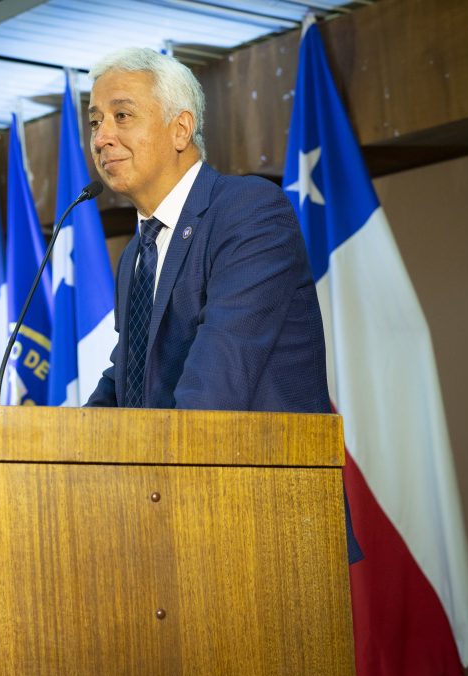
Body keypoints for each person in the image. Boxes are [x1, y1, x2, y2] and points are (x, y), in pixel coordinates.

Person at [85, 47, 331, 413]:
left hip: (246, 451)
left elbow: (216, 381)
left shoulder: (248, 211)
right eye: (95, 122)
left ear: (181, 130)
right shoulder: (136, 253)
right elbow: (127, 380)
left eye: (122, 116)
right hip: (166, 448)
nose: (101, 138)